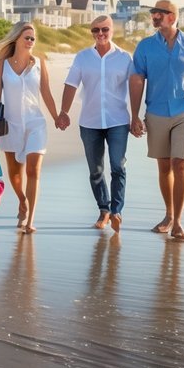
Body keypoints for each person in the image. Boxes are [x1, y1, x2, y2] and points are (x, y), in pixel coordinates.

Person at [129, 0, 184, 241]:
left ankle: (177, 222)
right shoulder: (145, 47)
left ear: (173, 16)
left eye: (159, 13)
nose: (154, 17)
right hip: (155, 112)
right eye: (153, 13)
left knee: (180, 165)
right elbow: (137, 81)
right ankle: (168, 214)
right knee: (164, 166)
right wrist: (134, 116)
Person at [56, 15, 132, 233]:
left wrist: (136, 116)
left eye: (105, 29)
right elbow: (71, 84)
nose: (100, 34)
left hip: (118, 120)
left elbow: (136, 87)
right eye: (95, 30)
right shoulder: (82, 58)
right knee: (95, 170)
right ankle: (103, 209)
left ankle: (116, 211)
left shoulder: (125, 58)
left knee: (118, 166)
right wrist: (64, 112)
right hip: (90, 122)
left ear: (112, 30)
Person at [0, 22, 62, 233]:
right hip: (9, 124)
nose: (30, 41)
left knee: (33, 170)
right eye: (26, 37)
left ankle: (30, 221)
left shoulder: (39, 62)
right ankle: (21, 201)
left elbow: (46, 92)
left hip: (36, 123)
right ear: (17, 38)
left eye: (33, 38)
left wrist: (57, 117)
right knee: (15, 174)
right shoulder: (2, 63)